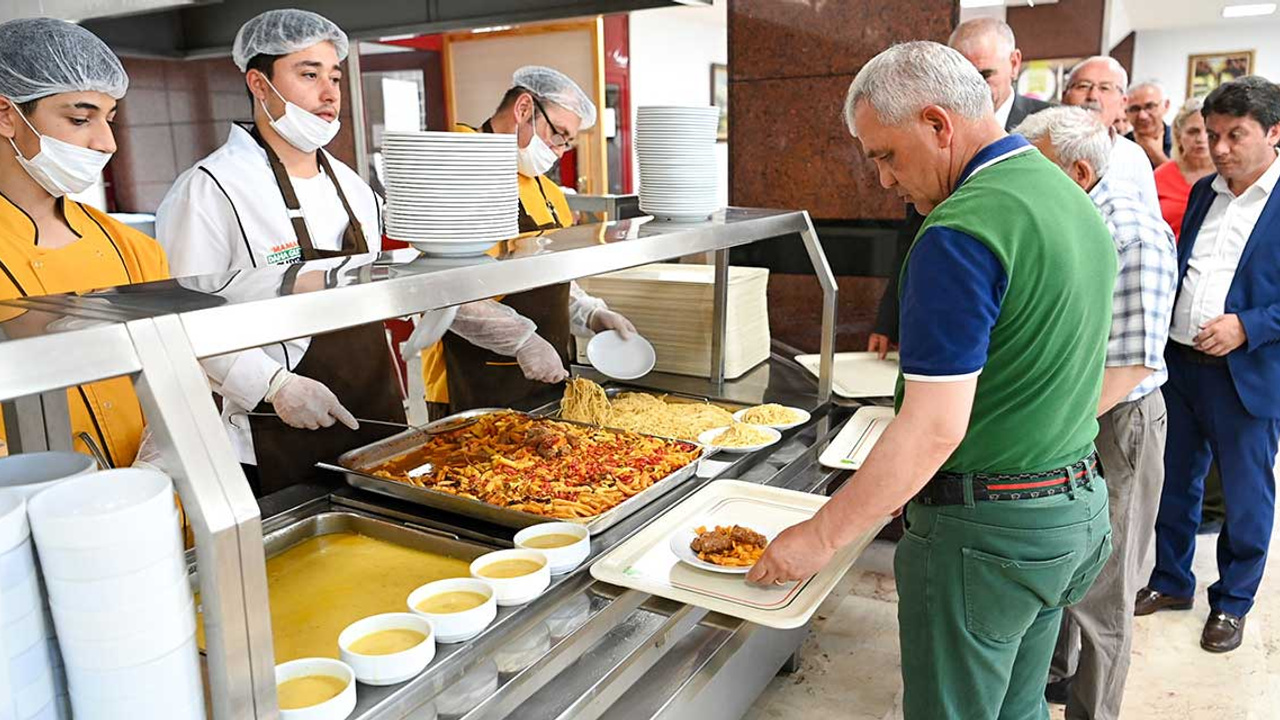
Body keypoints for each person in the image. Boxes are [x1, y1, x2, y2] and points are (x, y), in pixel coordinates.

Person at [748, 41, 1116, 720]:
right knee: (1019, 708)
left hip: (985, 536)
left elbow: (935, 427)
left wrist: (821, 536)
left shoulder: (961, 229)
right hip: (1072, 511)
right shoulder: (1065, 195)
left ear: (938, 124)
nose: (886, 182)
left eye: (886, 155)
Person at [155, 9, 402, 495]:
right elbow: (184, 323)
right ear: (259, 84)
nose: (330, 93)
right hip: (275, 430)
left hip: (377, 414)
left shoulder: (353, 187)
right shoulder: (210, 189)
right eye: (308, 75)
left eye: (334, 77)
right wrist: (274, 385)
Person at [1018, 106, 1177, 719]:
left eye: (1036, 167)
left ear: (1079, 170)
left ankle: (1094, 710)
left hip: (1116, 421)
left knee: (1107, 587)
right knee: (1062, 559)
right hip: (1076, 412)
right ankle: (1057, 674)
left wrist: (1059, 423)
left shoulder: (1131, 231)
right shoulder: (1071, 214)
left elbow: (1134, 364)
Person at [1136, 76, 1280, 654]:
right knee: (1174, 481)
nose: (1219, 149)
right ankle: (1171, 581)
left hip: (1245, 373)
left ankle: (1233, 601)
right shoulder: (1203, 192)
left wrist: (1249, 325)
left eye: (1235, 135)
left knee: (1245, 496)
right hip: (1180, 362)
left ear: (1274, 133)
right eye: (1213, 134)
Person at [0, 18, 169, 467]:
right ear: (5, 115)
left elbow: (172, 373)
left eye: (109, 118)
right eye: (80, 118)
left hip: (157, 503)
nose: (107, 142)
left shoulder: (132, 247)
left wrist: (163, 452)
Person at [420, 66, 634, 414]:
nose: (561, 150)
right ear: (523, 110)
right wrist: (522, 340)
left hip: (545, 383)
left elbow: (552, 279)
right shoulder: (456, 166)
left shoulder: (549, 192)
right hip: (473, 385)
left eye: (568, 141)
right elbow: (439, 293)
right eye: (559, 134)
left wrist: (591, 314)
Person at [867, 17, 1050, 358]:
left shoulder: (1050, 131)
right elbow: (912, 230)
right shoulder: (927, 176)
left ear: (1014, 64)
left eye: (984, 75)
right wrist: (890, 317)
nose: (886, 180)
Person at [1062, 56, 1162, 215]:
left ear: (1123, 102)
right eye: (1083, 86)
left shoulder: (1133, 156)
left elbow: (1153, 224)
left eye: (1105, 88)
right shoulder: (1042, 147)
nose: (1093, 96)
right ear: (1064, 96)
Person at [1155, 97, 1215, 241]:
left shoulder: (1229, 176)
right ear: (1178, 135)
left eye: (1208, 131)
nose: (1201, 139)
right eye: (1193, 132)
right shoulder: (1159, 177)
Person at [1125, 80, 1173, 168]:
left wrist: (1157, 155)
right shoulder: (1119, 146)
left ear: (1166, 105)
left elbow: (1185, 181)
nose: (1142, 116)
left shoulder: (1183, 141)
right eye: (1135, 109)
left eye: (1150, 107)